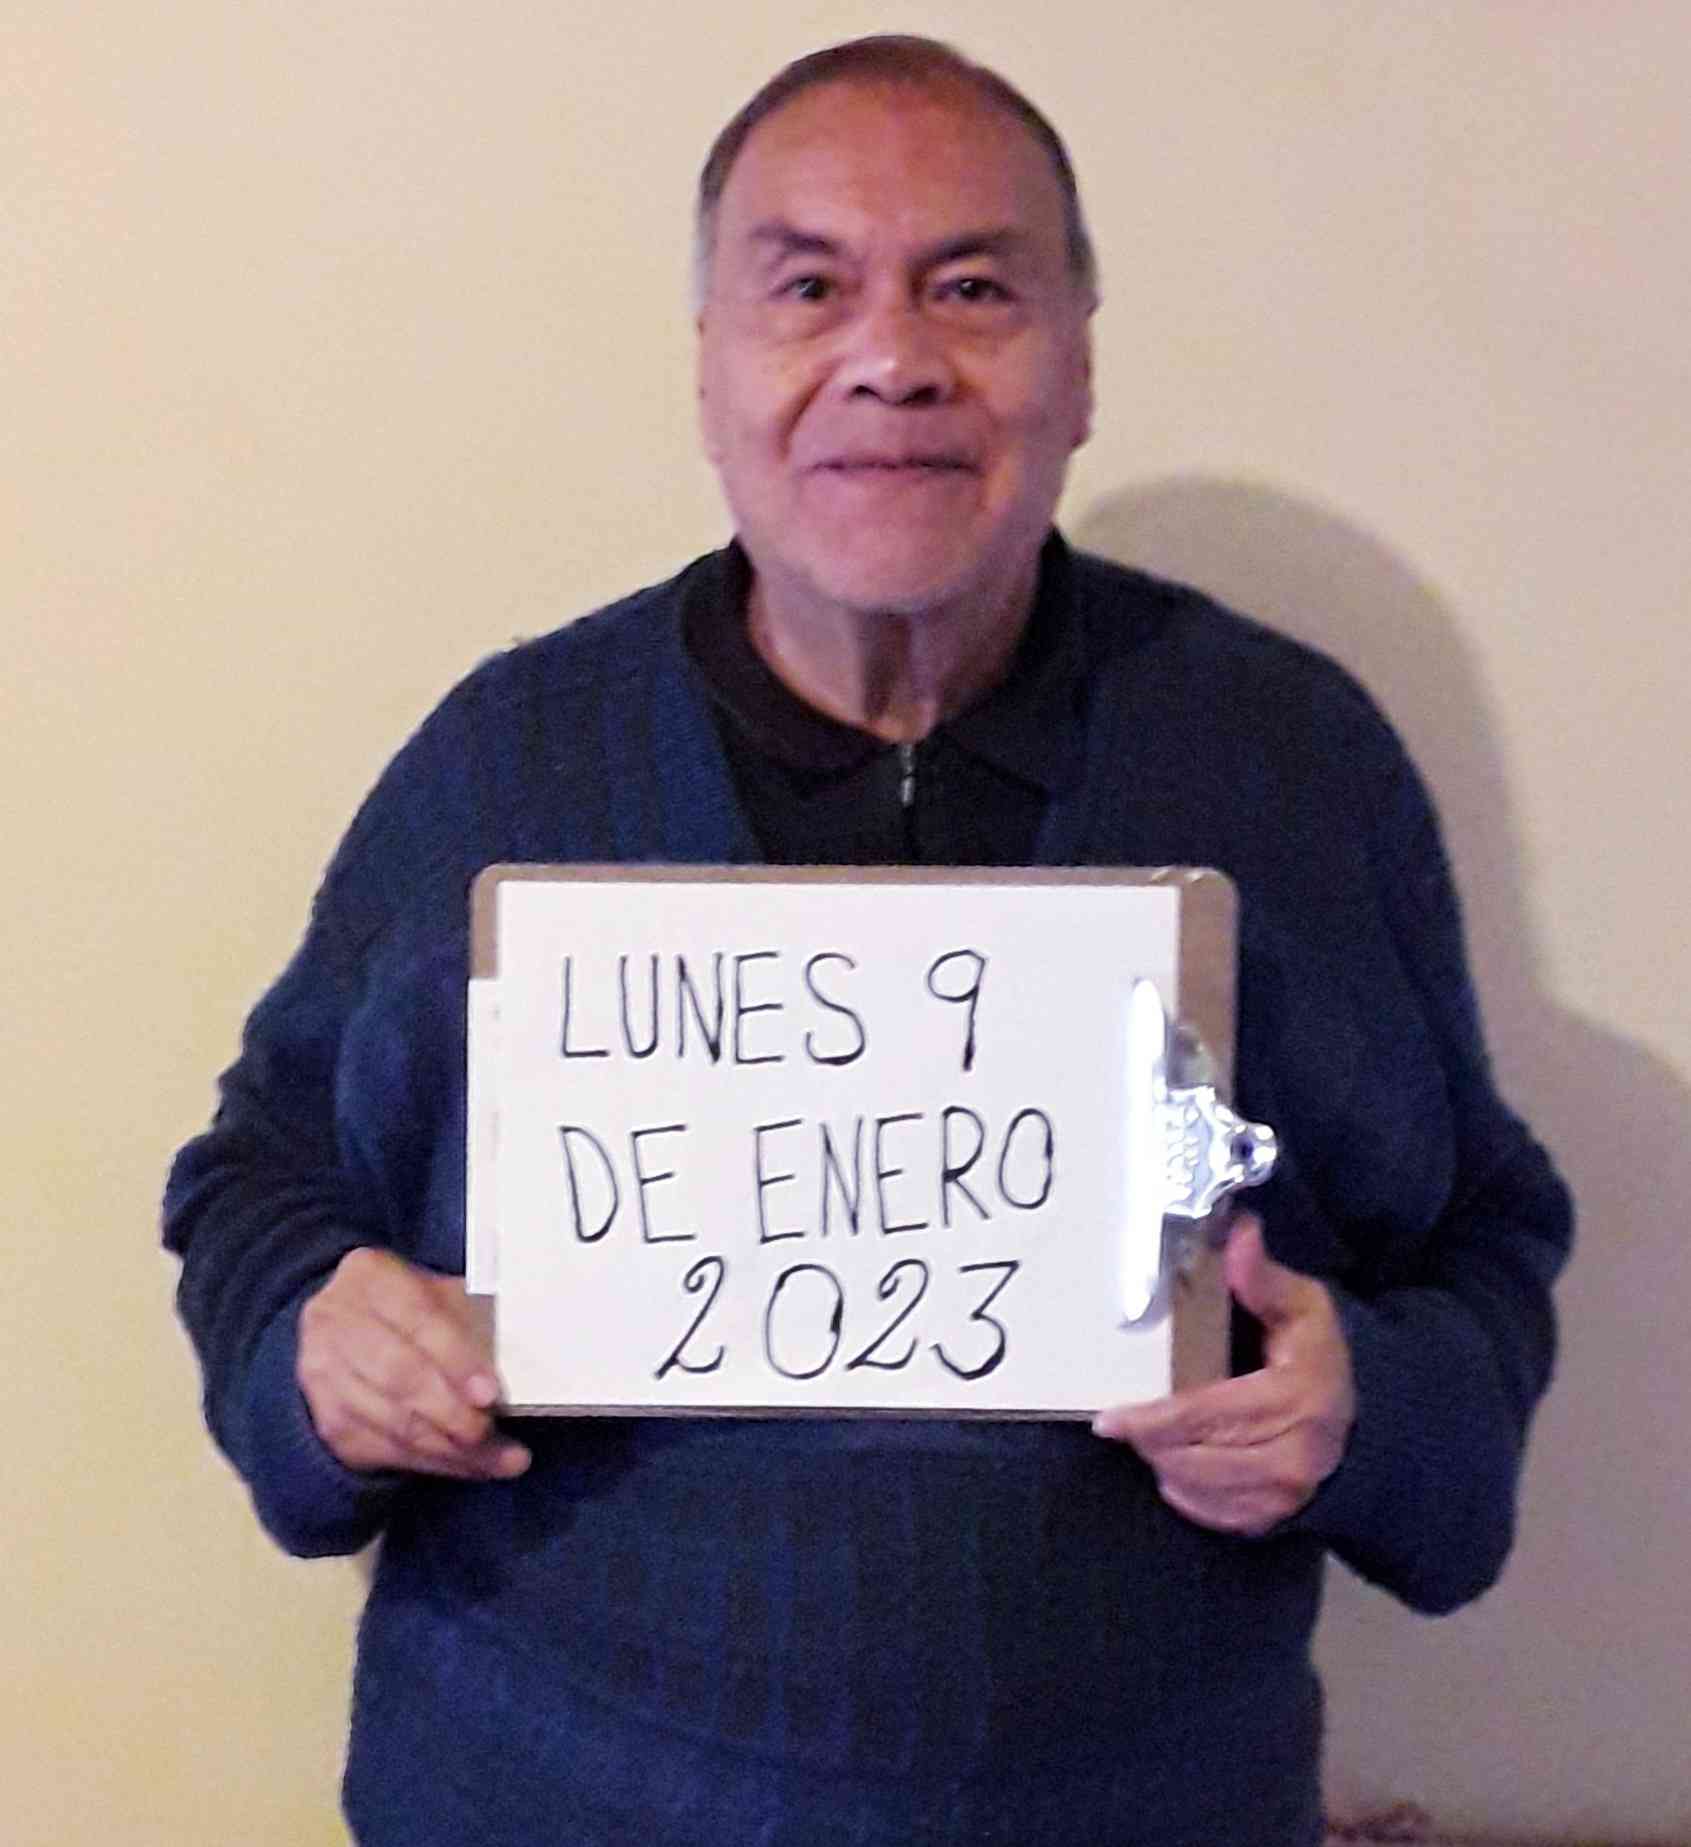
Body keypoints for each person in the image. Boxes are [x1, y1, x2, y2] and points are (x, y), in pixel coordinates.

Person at [164, 35, 1571, 1847]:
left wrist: (1365, 1408)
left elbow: (1482, 1241)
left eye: (972, 288)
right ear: (710, 368)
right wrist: (314, 1342)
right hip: (552, 1796)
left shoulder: (1286, 764)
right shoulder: (508, 763)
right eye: (809, 288)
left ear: (1079, 364)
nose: (892, 359)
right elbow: (258, 1177)